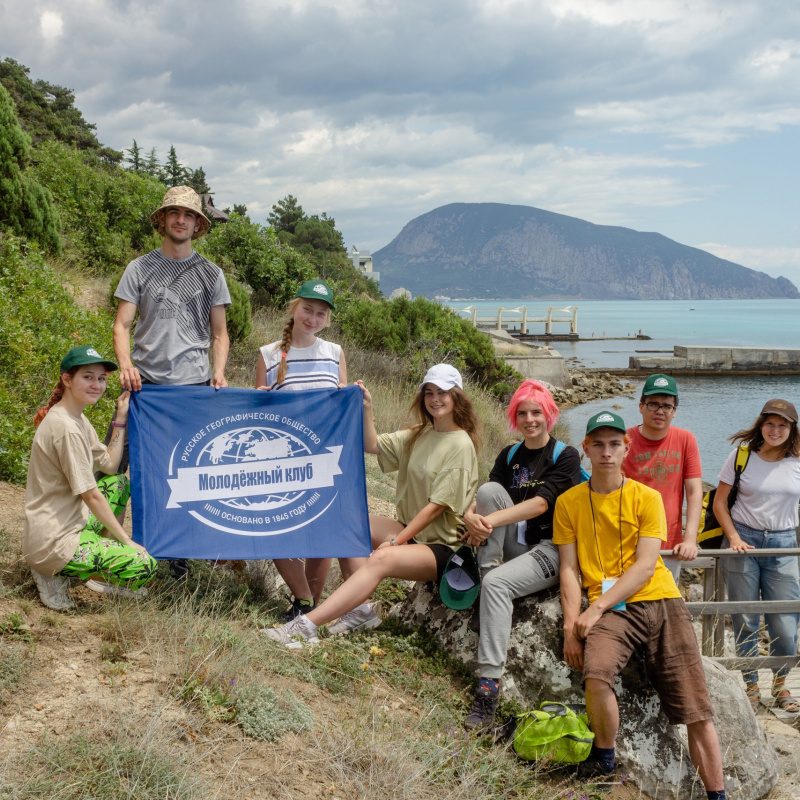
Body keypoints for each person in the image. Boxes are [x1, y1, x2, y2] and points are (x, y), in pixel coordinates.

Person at [553, 411, 726, 798]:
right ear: (586, 449)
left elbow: (647, 565)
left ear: (627, 448)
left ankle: (718, 793)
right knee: (596, 674)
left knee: (695, 706)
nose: (607, 452)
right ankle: (604, 757)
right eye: (598, 444)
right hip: (614, 610)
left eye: (615, 444)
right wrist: (570, 625)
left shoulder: (645, 498)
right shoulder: (568, 503)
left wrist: (594, 609)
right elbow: (568, 568)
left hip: (659, 599)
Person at [262, 364, 479, 647]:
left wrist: (396, 542)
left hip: (443, 548)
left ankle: (305, 627)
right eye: (429, 392)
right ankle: (359, 610)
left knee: (381, 559)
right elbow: (372, 444)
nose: (435, 399)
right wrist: (367, 407)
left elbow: (435, 508)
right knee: (343, 522)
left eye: (442, 392)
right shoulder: (421, 433)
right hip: (410, 530)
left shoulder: (461, 444)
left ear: (456, 397)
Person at [110, 185, 231, 578]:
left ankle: (177, 559)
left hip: (191, 389)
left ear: (198, 224)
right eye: (174, 213)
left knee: (184, 474)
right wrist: (125, 365)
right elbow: (122, 324)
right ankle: (109, 548)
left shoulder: (212, 274)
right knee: (115, 469)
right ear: (162, 219)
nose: (181, 220)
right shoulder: (139, 268)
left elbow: (219, 334)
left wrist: (219, 370)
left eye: (189, 215)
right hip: (143, 388)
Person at [461, 380, 582, 731]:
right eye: (523, 413)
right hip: (513, 542)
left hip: (550, 548)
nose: (530, 419)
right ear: (515, 418)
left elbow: (543, 503)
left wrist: (485, 522)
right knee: (487, 489)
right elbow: (488, 496)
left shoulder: (566, 456)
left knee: (498, 585)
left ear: (550, 415)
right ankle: (488, 582)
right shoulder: (510, 456)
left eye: (537, 412)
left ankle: (488, 689)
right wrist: (471, 514)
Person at [255, 280, 366, 627]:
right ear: (294, 308)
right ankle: (302, 597)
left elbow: (342, 404)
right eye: (307, 309)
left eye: (321, 313)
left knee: (323, 536)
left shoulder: (335, 353)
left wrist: (355, 398)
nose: (313, 318)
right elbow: (258, 412)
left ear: (328, 319)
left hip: (326, 461)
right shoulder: (268, 354)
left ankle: (310, 610)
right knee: (273, 529)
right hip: (282, 463)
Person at [24, 346, 158, 611]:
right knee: (143, 565)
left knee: (118, 484)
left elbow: (109, 466)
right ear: (67, 379)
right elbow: (90, 494)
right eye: (88, 377)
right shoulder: (65, 428)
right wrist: (126, 541)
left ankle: (94, 570)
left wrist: (120, 417)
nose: (97, 385)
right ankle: (51, 572)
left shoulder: (77, 419)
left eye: (102, 378)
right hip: (53, 540)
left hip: (70, 523)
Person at [713, 399, 800, 714]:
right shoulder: (742, 456)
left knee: (786, 623)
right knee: (746, 620)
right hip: (743, 543)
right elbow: (720, 503)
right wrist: (733, 537)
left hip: (784, 545)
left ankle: (781, 685)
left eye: (783, 425)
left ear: (792, 430)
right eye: (770, 423)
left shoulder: (798, 460)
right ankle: (750, 686)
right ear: (761, 425)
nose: (775, 430)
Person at [622, 374, 702, 581]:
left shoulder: (686, 440)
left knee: (665, 605)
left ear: (674, 412)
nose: (660, 411)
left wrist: (690, 539)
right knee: (626, 607)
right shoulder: (623, 441)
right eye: (653, 404)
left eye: (667, 406)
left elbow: (694, 492)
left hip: (669, 544)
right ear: (640, 406)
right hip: (628, 542)